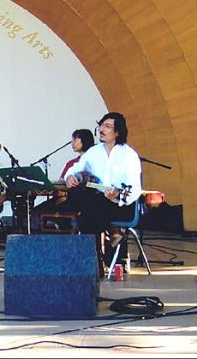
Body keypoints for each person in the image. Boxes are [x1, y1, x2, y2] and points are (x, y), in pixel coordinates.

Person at [64, 112, 141, 275]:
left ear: (117, 132)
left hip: (120, 205)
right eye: (101, 125)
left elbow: (134, 189)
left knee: (87, 215)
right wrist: (70, 177)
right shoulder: (93, 152)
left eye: (107, 126)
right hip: (97, 204)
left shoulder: (129, 155)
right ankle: (104, 249)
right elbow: (76, 168)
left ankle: (94, 258)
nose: (101, 129)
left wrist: (118, 196)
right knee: (83, 199)